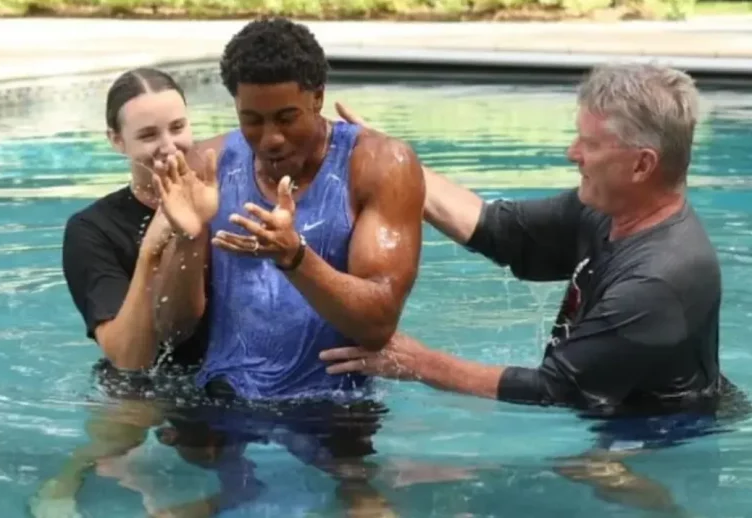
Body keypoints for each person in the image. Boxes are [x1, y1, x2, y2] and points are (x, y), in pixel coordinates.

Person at [322, 63, 749, 513]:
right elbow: (497, 229)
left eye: (590, 143)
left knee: (558, 474)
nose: (572, 153)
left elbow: (552, 389)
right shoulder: (609, 211)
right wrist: (395, 164)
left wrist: (417, 362)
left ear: (642, 164)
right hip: (612, 401)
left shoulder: (659, 278)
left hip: (662, 435)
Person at [147, 16, 425, 518]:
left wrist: (294, 257)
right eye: (252, 119)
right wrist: (188, 238)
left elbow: (378, 322)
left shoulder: (379, 165)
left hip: (334, 404)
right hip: (223, 396)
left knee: (364, 503)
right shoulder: (209, 164)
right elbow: (172, 330)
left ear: (318, 97)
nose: (270, 138)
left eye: (286, 117)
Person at [29, 67, 214, 518]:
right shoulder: (91, 231)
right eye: (148, 135)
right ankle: (70, 476)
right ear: (117, 141)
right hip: (141, 383)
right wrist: (153, 246)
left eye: (178, 127)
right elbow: (127, 358)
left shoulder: (220, 196)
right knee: (124, 433)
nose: (169, 146)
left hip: (223, 371)